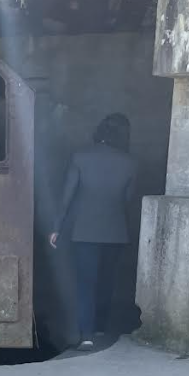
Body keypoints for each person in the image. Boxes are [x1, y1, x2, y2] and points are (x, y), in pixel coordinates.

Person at [49, 113, 137, 350]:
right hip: (116, 231)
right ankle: (100, 326)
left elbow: (67, 196)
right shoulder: (129, 162)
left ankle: (86, 334)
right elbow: (127, 201)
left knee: (86, 283)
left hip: (84, 231)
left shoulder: (80, 157)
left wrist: (57, 227)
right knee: (106, 282)